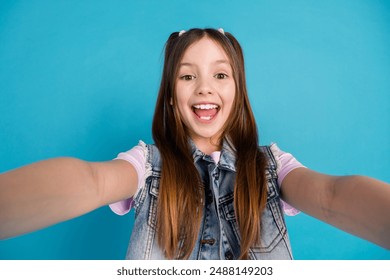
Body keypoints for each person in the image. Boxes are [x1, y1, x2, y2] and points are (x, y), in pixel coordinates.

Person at [0, 28, 389, 260]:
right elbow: (92, 181)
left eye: (220, 75)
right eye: (188, 77)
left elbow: (332, 196)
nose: (204, 86)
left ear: (238, 91)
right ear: (171, 95)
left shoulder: (271, 167)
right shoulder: (147, 166)